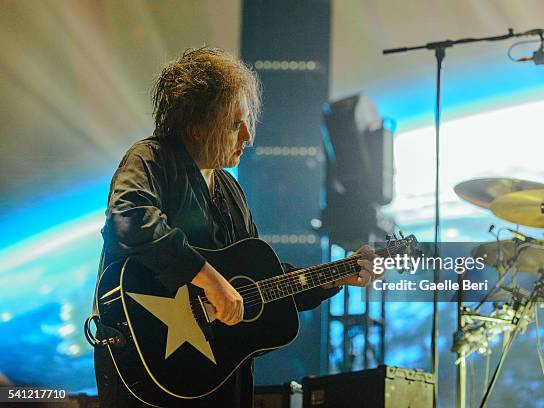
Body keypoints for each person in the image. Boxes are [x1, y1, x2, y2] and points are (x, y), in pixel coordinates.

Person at [93, 46, 376, 407]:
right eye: (234, 124)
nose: (247, 136)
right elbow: (130, 218)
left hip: (216, 378)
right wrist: (210, 280)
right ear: (197, 127)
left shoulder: (230, 189)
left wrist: (336, 276)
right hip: (147, 372)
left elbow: (259, 280)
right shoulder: (150, 158)